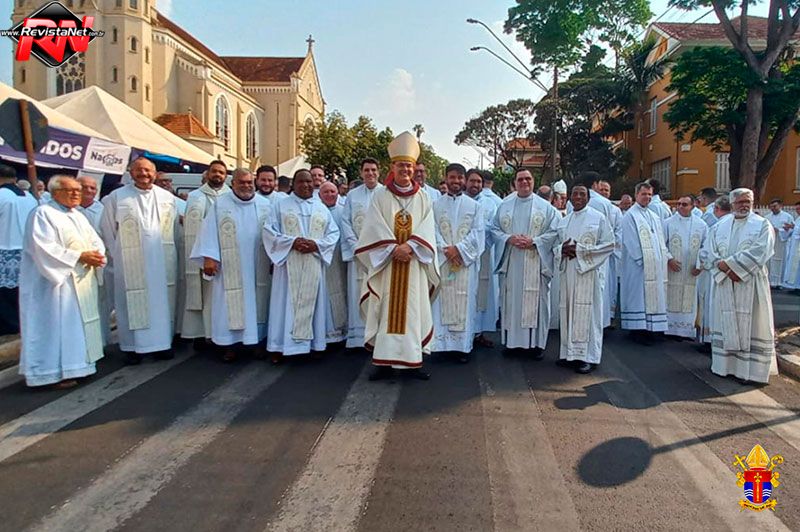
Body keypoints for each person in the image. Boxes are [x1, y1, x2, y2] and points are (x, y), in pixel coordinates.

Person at [356, 132, 440, 380]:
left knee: (413, 311)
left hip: (413, 264)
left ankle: (413, 362)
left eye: (409, 166)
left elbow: (428, 227)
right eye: (401, 165)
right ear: (392, 167)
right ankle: (383, 363)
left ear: (414, 169)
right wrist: (394, 248)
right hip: (388, 264)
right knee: (385, 310)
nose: (405, 169)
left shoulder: (423, 197)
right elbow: (374, 226)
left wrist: (411, 246)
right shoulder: (381, 196)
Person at [19, 176, 106, 388]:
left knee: (76, 325)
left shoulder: (77, 216)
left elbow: (95, 240)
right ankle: (49, 373)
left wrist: (97, 255)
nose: (77, 194)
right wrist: (79, 257)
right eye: (71, 190)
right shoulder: (43, 213)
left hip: (80, 280)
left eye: (78, 190)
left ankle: (79, 366)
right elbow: (43, 248)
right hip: (54, 286)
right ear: (55, 192)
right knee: (55, 327)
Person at [100, 157, 179, 364]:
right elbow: (107, 229)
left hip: (161, 262)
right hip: (130, 263)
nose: (143, 174)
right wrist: (118, 256)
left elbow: (175, 228)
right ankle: (132, 347)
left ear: (155, 173)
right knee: (131, 302)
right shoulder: (116, 197)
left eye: (147, 170)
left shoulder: (167, 198)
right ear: (130, 172)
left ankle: (162, 344)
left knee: (161, 303)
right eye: (139, 170)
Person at [190, 169, 272, 362]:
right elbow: (208, 232)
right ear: (233, 184)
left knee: (259, 303)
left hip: (258, 265)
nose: (246, 186)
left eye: (249, 182)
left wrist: (274, 259)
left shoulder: (264, 205)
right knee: (228, 305)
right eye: (241, 182)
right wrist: (209, 257)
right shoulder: (221, 204)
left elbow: (272, 233)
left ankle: (257, 342)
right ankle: (229, 345)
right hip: (229, 267)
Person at [263, 169, 340, 364]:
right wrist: (292, 243)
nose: (306, 185)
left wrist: (317, 245)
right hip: (288, 265)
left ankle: (314, 345)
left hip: (313, 261)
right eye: (301, 181)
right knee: (284, 305)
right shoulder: (281, 205)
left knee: (315, 304)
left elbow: (333, 233)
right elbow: (269, 232)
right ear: (293, 184)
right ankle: (279, 346)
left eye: (309, 181)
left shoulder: (320, 207)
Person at [706, 189, 777, 384]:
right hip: (725, 283)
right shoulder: (720, 226)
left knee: (753, 325)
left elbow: (762, 250)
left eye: (748, 202)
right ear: (732, 203)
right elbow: (709, 251)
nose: (744, 205)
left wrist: (735, 268)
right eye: (740, 202)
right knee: (726, 322)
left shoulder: (762, 224)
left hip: (751, 283)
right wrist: (725, 269)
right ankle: (725, 366)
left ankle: (751, 372)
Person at [489, 168, 559, 358]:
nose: (524, 182)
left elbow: (555, 232)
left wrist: (534, 241)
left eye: (528, 178)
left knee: (537, 303)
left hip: (536, 262)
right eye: (520, 179)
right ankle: (513, 344)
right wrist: (508, 238)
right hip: (512, 262)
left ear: (533, 181)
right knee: (512, 301)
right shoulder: (505, 205)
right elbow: (493, 229)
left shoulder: (545, 207)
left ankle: (536, 345)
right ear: (515, 183)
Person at [556, 185, 615, 374]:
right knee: (569, 312)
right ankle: (569, 354)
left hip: (589, 274)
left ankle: (589, 357)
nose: (578, 197)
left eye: (582, 194)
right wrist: (561, 250)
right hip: (569, 273)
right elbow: (555, 246)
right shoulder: (564, 221)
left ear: (588, 198)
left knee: (589, 315)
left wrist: (580, 251)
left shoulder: (598, 218)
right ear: (570, 197)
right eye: (575, 194)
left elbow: (609, 244)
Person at [431, 164, 484, 363]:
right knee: (441, 301)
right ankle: (441, 346)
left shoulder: (475, 206)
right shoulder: (435, 205)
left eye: (460, 178)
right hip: (443, 261)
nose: (456, 181)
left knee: (465, 301)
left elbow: (478, 233)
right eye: (452, 177)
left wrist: (459, 250)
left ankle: (462, 347)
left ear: (464, 180)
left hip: (464, 264)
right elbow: (432, 230)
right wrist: (446, 250)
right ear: (446, 178)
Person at [181, 160, 231, 348]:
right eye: (214, 171)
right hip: (196, 253)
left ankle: (215, 333)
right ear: (207, 174)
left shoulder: (230, 196)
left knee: (215, 297)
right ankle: (199, 334)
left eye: (221, 172)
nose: (217, 175)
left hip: (220, 254)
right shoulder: (195, 196)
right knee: (198, 294)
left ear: (226, 176)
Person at [340, 158, 384, 349]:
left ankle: (378, 337)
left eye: (373, 170)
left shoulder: (386, 193)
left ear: (379, 172)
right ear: (361, 172)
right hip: (357, 254)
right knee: (356, 293)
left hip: (379, 255)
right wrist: (355, 246)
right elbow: (345, 221)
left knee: (378, 294)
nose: (370, 173)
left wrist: (380, 247)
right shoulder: (352, 195)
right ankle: (357, 338)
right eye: (366, 170)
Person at [620, 182, 668, 344]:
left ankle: (651, 328)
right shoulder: (630, 216)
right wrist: (642, 259)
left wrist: (661, 258)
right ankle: (637, 330)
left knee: (652, 297)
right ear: (636, 195)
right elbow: (630, 240)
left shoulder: (654, 216)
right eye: (643, 194)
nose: (647, 197)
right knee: (638, 297)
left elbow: (659, 239)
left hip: (654, 265)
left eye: (649, 194)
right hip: (638, 266)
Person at [662, 195, 708, 340]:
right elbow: (661, 244)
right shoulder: (668, 223)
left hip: (691, 270)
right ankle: (669, 328)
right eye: (679, 204)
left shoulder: (701, 225)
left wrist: (700, 265)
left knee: (689, 297)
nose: (680, 207)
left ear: (692, 206)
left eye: (684, 204)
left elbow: (706, 246)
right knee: (671, 295)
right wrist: (669, 259)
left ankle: (686, 330)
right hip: (673, 268)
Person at [0, 163, 38, 335]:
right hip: (26, 249)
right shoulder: (29, 196)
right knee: (22, 290)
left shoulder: (1, 195)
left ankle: (9, 326)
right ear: (14, 179)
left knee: (5, 294)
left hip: (5, 248)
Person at [465, 169, 499, 347]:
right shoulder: (460, 202)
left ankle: (479, 332)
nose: (475, 185)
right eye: (472, 181)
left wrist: (481, 236)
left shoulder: (490, 204)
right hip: (463, 255)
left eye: (478, 182)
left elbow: (495, 227)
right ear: (466, 182)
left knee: (482, 293)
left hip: (484, 252)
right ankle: (464, 333)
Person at [696, 196, 732, 352]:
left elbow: (707, 252)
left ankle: (710, 340)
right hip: (732, 272)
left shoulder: (717, 227)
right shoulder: (737, 224)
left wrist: (700, 261)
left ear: (717, 209)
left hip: (714, 273)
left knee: (712, 304)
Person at [319, 180, 348, 345]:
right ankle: (326, 332)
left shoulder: (344, 210)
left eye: (332, 192)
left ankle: (343, 331)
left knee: (342, 291)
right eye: (326, 192)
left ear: (338, 193)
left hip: (340, 257)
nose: (330, 195)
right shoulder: (317, 210)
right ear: (319, 195)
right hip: (323, 259)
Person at [764, 199, 794, 288]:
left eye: (775, 206)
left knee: (780, 262)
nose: (773, 208)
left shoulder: (787, 217)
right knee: (769, 262)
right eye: (771, 207)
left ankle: (779, 282)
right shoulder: (767, 217)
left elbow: (792, 230)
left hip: (781, 242)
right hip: (770, 242)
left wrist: (779, 230)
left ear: (780, 206)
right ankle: (769, 281)